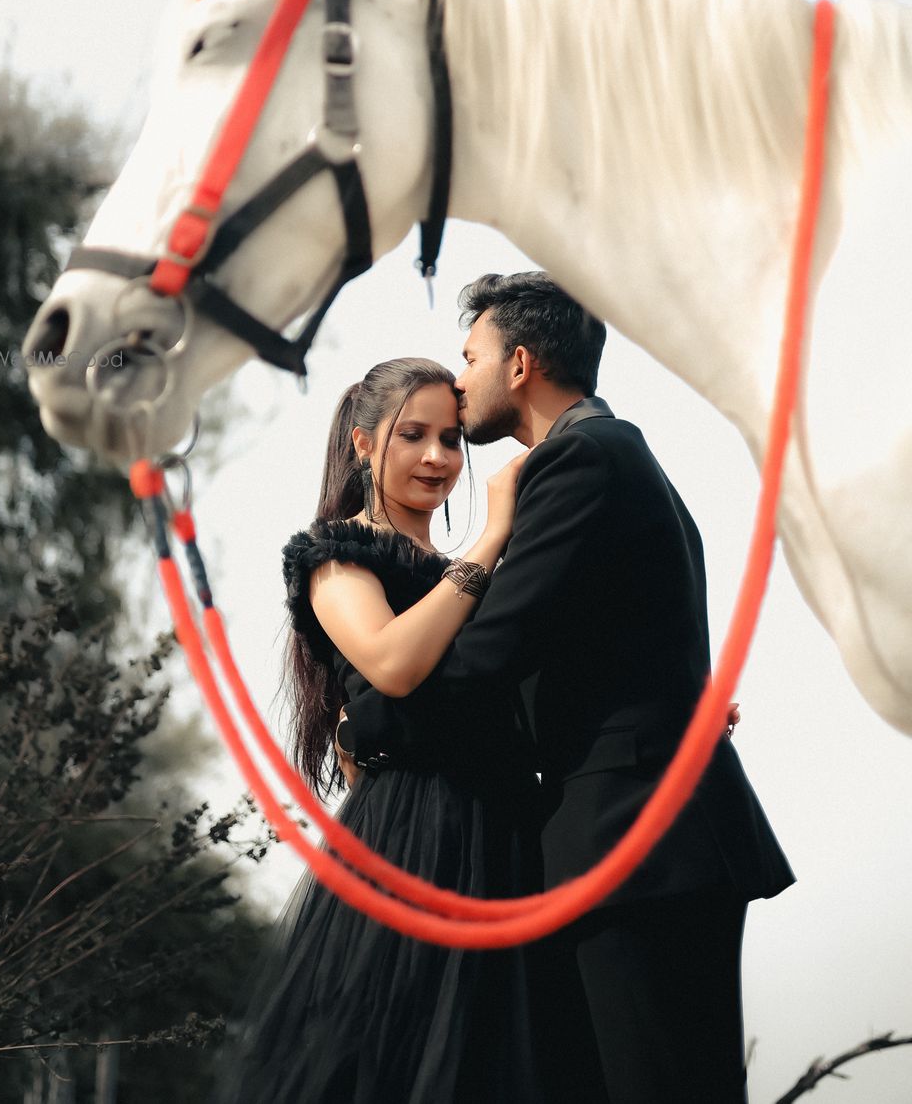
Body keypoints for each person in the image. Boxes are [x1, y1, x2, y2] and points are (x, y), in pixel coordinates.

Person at [338, 274, 796, 1104]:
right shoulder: (617, 454)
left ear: (519, 364)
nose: (461, 377)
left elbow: (489, 654)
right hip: (651, 840)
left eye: (470, 358)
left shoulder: (580, 460)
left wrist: (366, 724)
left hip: (636, 843)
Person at [218, 356, 562, 1104]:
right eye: (414, 435)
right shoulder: (337, 554)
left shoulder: (465, 574)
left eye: (451, 438)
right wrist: (493, 534)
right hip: (417, 831)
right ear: (365, 443)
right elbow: (393, 663)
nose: (439, 458)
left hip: (508, 832)